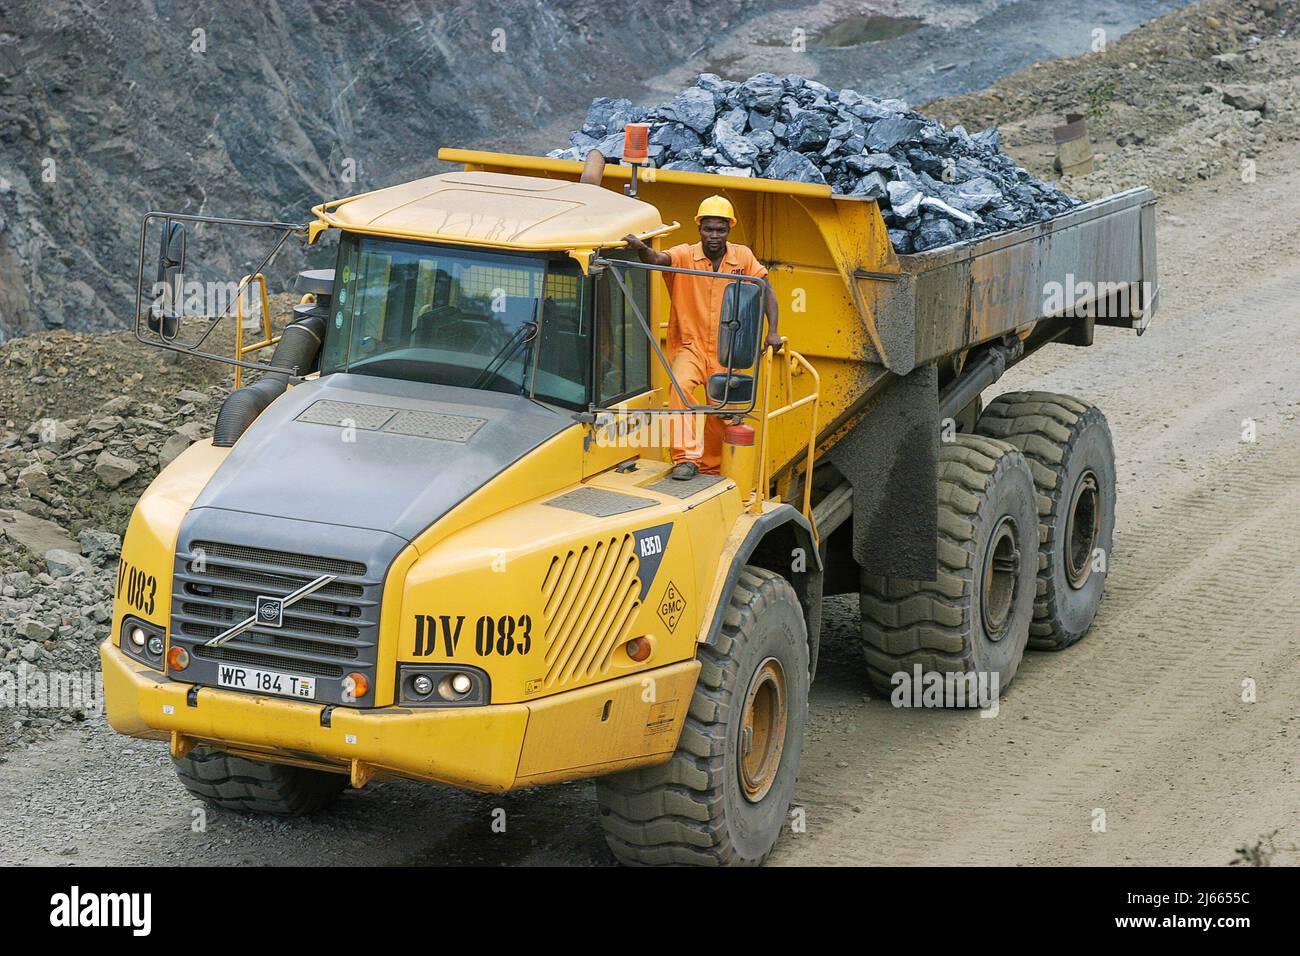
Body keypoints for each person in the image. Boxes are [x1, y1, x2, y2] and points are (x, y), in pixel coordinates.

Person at [622, 195, 780, 480]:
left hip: (726, 349)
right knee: (681, 389)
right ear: (699, 228)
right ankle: (685, 458)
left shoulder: (742, 257)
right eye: (709, 229)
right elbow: (658, 260)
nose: (714, 236)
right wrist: (641, 249)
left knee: (721, 409)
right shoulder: (685, 254)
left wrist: (773, 332)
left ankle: (710, 466)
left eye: (720, 229)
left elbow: (765, 289)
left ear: (729, 230)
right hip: (690, 345)